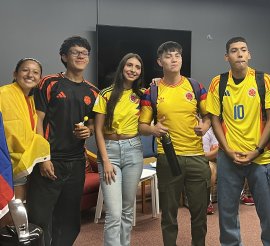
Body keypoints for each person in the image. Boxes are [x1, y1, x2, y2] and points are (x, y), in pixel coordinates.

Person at [206, 36, 270, 245]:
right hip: (228, 158)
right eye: (234, 50)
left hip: (260, 157)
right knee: (227, 214)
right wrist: (227, 150)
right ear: (226, 56)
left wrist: (257, 150)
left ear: (249, 54)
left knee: (268, 214)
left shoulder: (263, 79)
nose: (239, 54)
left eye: (243, 50)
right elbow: (214, 118)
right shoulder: (218, 82)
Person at [27, 36, 99, 246]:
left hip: (76, 163)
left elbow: (94, 125)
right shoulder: (48, 83)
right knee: (39, 219)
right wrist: (42, 158)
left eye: (84, 53)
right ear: (64, 57)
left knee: (69, 220)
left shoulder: (92, 91)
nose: (80, 56)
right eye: (75, 52)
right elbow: (37, 121)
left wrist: (88, 131)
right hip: (50, 161)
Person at [139, 41, 211, 246]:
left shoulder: (196, 86)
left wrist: (205, 127)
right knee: (169, 215)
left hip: (197, 157)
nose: (174, 59)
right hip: (167, 158)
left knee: (200, 215)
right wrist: (153, 129)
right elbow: (142, 125)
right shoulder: (151, 91)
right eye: (169, 56)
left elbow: (208, 117)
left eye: (177, 55)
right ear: (159, 61)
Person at [93, 53, 144, 245]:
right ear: (122, 68)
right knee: (114, 213)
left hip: (133, 151)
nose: (133, 70)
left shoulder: (142, 95)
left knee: (127, 210)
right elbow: (97, 130)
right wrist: (105, 161)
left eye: (137, 67)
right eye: (129, 65)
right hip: (110, 152)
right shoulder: (106, 94)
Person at [0, 58, 50, 226]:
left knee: (17, 210)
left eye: (35, 72)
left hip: (19, 163)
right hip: (5, 161)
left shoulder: (30, 100)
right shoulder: (4, 93)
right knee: (6, 213)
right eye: (25, 70)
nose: (30, 75)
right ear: (15, 73)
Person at [202, 127, 218, 215]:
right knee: (210, 168)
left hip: (225, 159)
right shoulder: (207, 131)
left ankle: (245, 193)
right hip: (211, 160)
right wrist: (220, 150)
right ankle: (207, 201)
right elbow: (205, 156)